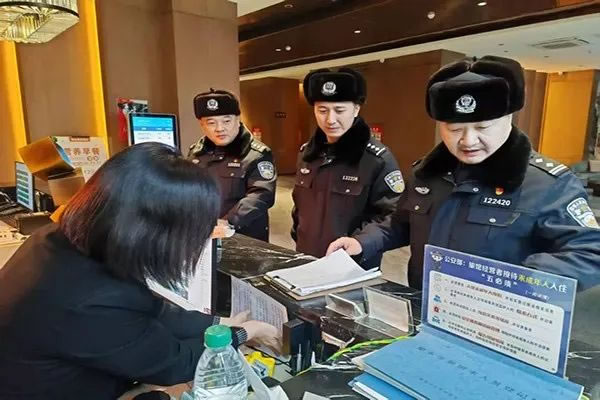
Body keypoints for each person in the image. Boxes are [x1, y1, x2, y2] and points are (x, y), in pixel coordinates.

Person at [0, 143, 280, 400]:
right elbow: (174, 363)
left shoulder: (61, 239)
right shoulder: (92, 300)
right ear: (156, 233)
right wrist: (246, 332)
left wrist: (219, 323)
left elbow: (152, 311)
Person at [328, 56, 600, 290]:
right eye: (455, 129)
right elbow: (399, 223)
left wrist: (517, 281)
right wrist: (363, 242)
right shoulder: (427, 175)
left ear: (508, 118)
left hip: (497, 319)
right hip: (426, 308)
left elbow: (590, 252)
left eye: (483, 128)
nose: (468, 141)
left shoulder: (546, 184)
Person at [292, 68, 403, 268]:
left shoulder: (377, 159)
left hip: (353, 264)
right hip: (307, 260)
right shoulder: (307, 154)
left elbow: (393, 216)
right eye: (322, 110)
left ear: (356, 109)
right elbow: (299, 205)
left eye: (340, 110)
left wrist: (362, 242)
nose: (330, 119)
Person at [188, 89, 276, 242]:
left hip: (244, 236)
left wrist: (228, 222)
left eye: (226, 121)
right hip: (203, 234)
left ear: (237, 119)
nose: (219, 128)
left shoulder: (256, 154)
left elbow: (261, 195)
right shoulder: (196, 153)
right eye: (211, 122)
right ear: (201, 124)